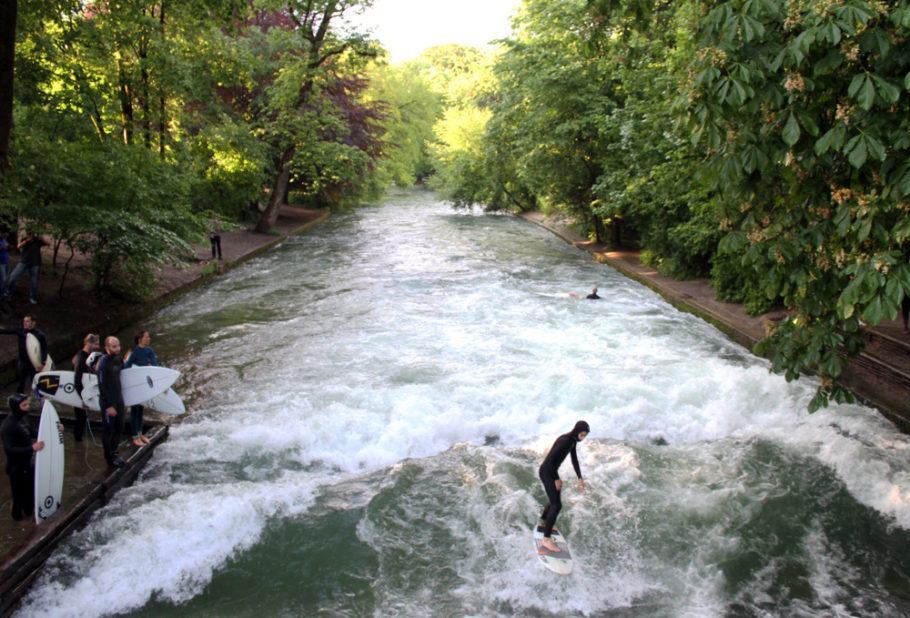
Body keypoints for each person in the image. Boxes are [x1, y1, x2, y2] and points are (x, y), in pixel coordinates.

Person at [537, 420, 589, 554]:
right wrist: (556, 478)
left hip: (551, 471)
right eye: (582, 435)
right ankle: (546, 539)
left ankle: (544, 521)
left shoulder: (572, 441)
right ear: (577, 431)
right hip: (547, 471)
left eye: (585, 435)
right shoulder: (565, 441)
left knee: (555, 498)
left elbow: (574, 459)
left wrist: (580, 478)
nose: (583, 438)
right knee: (557, 504)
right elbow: (550, 461)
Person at [2, 395, 43, 520]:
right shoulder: (8, 425)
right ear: (16, 407)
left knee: (30, 494)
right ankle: (17, 522)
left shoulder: (23, 419)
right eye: (24, 405)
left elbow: (32, 432)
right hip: (16, 467)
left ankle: (29, 516)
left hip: (27, 463)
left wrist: (55, 429)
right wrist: (31, 448)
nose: (28, 407)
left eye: (27, 404)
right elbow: (9, 449)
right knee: (18, 498)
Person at [124, 329, 158, 446]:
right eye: (147, 337)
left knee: (141, 409)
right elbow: (127, 368)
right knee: (135, 410)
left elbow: (155, 366)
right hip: (135, 386)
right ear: (140, 339)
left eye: (149, 337)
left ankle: (140, 433)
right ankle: (135, 436)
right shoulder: (134, 353)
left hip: (145, 385)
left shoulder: (149, 351)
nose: (149, 339)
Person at [0, 314, 48, 393]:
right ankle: (19, 399)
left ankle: (38, 400)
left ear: (33, 323)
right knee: (20, 382)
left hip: (34, 363)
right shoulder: (20, 331)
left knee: (35, 383)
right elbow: (6, 331)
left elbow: (45, 349)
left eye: (27, 321)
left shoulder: (40, 335)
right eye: (24, 321)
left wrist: (43, 362)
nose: (24, 323)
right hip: (22, 361)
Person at [98, 336, 126, 468]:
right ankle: (109, 458)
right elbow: (102, 385)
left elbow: (126, 375)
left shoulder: (119, 359)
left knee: (120, 427)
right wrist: (109, 406)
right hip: (107, 402)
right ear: (107, 348)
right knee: (108, 430)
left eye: (118, 345)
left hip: (119, 399)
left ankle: (114, 452)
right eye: (114, 346)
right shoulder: (103, 363)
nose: (118, 348)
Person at [4, 232, 48, 304]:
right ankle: (8, 293)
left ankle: (32, 297)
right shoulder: (25, 239)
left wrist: (42, 239)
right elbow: (18, 246)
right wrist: (26, 241)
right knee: (12, 277)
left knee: (34, 281)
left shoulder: (38, 240)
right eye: (29, 234)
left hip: (35, 263)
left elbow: (48, 244)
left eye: (32, 234)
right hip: (24, 262)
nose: (30, 235)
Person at [72, 333, 101, 442]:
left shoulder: (90, 356)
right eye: (96, 344)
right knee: (80, 419)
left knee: (83, 419)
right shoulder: (81, 357)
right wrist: (83, 398)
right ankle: (78, 443)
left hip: (85, 392)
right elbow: (77, 380)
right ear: (88, 343)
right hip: (79, 393)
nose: (98, 347)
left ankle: (79, 442)